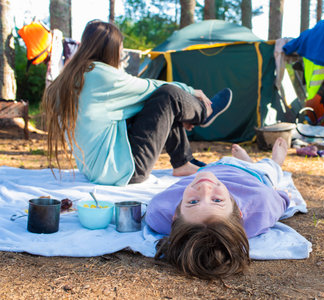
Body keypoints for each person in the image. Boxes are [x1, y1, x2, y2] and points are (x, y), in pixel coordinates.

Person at [41, 20, 231, 186]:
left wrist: (176, 114)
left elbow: (140, 101)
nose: (121, 52)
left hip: (98, 169)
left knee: (154, 101)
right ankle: (204, 112)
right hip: (124, 171)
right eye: (120, 47)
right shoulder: (99, 75)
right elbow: (150, 86)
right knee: (167, 94)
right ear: (110, 49)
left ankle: (183, 163)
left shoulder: (72, 77)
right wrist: (191, 92)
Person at [146, 137, 291, 279]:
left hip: (212, 167)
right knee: (270, 169)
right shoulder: (261, 204)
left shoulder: (159, 211)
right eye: (217, 200)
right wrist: (284, 195)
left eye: (193, 202)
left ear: (175, 216)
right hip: (252, 174)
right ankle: (272, 161)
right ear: (238, 212)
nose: (205, 188)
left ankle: (245, 160)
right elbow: (281, 200)